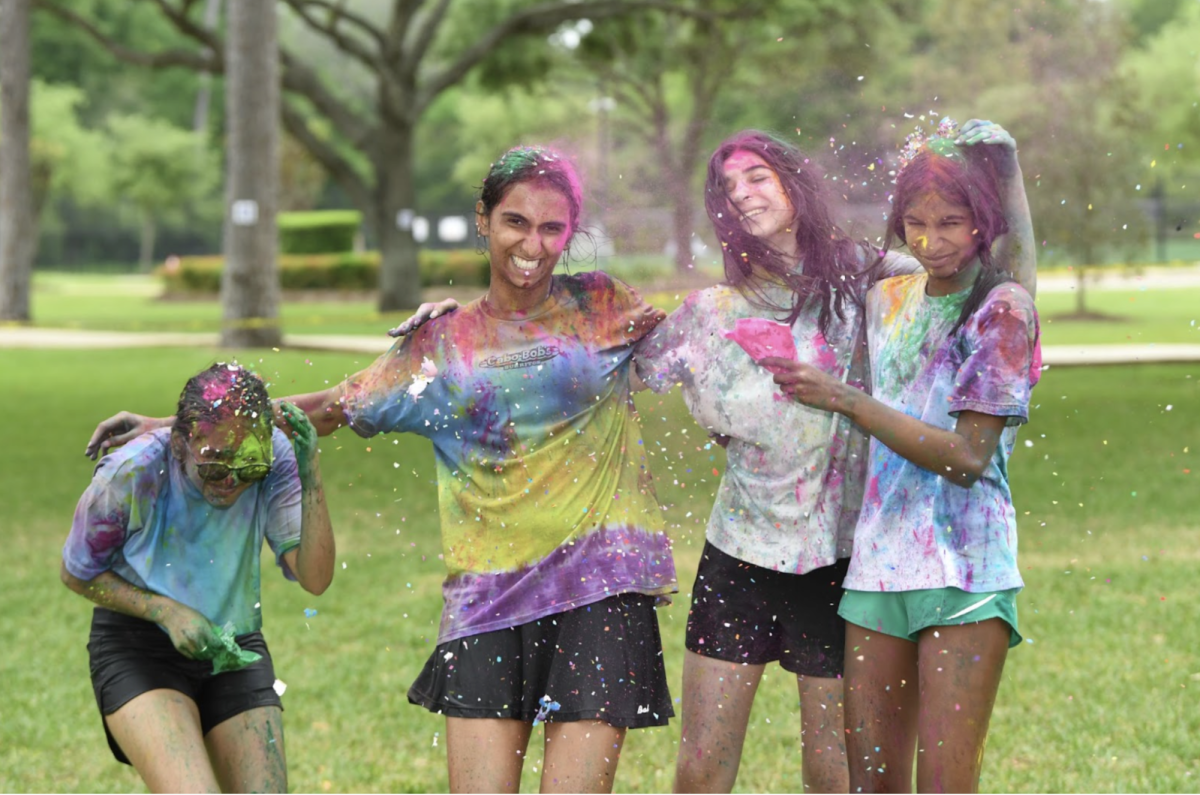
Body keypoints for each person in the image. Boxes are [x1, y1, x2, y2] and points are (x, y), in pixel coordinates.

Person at [393, 120, 1036, 793]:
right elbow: (585, 352)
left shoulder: (873, 279)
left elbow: (988, 282)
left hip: (844, 561)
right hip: (739, 556)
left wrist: (1006, 193)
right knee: (700, 771)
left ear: (794, 181)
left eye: (757, 175)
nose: (744, 193)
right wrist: (473, 318)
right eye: (728, 187)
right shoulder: (710, 313)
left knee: (835, 772)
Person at [84, 146, 677, 794]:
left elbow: (695, 350)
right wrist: (167, 426)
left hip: (601, 589)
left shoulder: (605, 306)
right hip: (488, 599)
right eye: (515, 221)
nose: (532, 243)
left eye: (551, 227)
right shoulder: (442, 344)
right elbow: (328, 407)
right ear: (483, 220)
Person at [763, 118, 1040, 793]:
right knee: (873, 785)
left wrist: (847, 399)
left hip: (964, 574)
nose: (930, 240)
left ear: (982, 222)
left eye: (950, 222)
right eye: (916, 222)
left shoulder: (1002, 310)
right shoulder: (888, 295)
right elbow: (806, 263)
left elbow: (968, 457)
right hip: (879, 569)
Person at [63, 363, 335, 793]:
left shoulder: (274, 456)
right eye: (214, 467)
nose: (231, 481)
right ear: (179, 444)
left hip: (234, 644)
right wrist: (166, 612)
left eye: (249, 468)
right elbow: (77, 573)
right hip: (139, 647)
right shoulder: (130, 472)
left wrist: (310, 473)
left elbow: (315, 579)